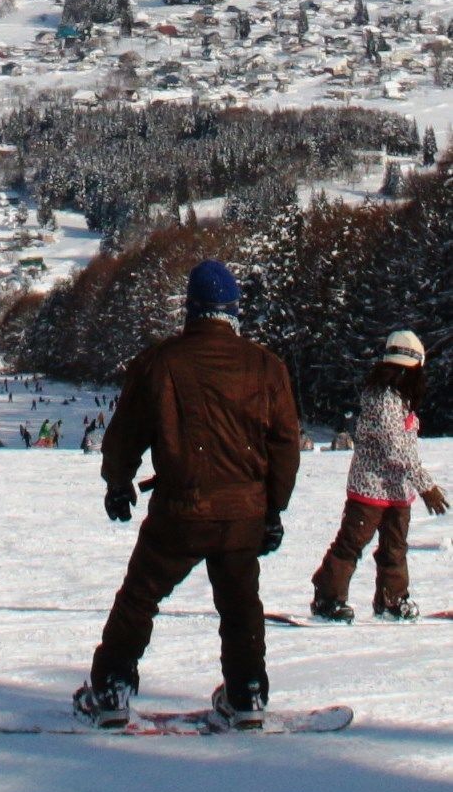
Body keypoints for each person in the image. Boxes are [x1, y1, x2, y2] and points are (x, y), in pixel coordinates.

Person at [75, 261, 300, 729]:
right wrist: (273, 510)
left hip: (182, 510)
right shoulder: (266, 366)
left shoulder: (162, 361)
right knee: (241, 608)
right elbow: (284, 445)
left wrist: (118, 484)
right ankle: (247, 695)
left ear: (191, 310)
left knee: (140, 598)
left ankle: (112, 689)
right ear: (234, 311)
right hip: (243, 514)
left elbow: (126, 432)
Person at [308, 330, 448, 621]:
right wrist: (426, 486)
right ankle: (327, 598)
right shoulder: (383, 398)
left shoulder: (401, 398)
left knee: (395, 549)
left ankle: (392, 599)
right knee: (351, 544)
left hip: (397, 491)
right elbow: (395, 448)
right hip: (370, 488)